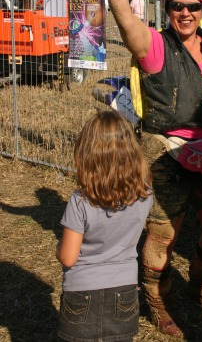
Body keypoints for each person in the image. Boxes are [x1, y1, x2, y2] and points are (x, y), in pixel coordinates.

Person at [99, 0, 202, 338]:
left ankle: (201, 287)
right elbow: (125, 17)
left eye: (193, 6)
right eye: (177, 5)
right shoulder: (156, 46)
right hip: (166, 156)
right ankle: (159, 304)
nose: (185, 12)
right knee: (164, 235)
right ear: (168, 9)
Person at [56, 110, 153, 342]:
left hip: (81, 292)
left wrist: (59, 246)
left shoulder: (80, 201)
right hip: (125, 292)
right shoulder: (145, 194)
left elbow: (68, 258)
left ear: (87, 155)